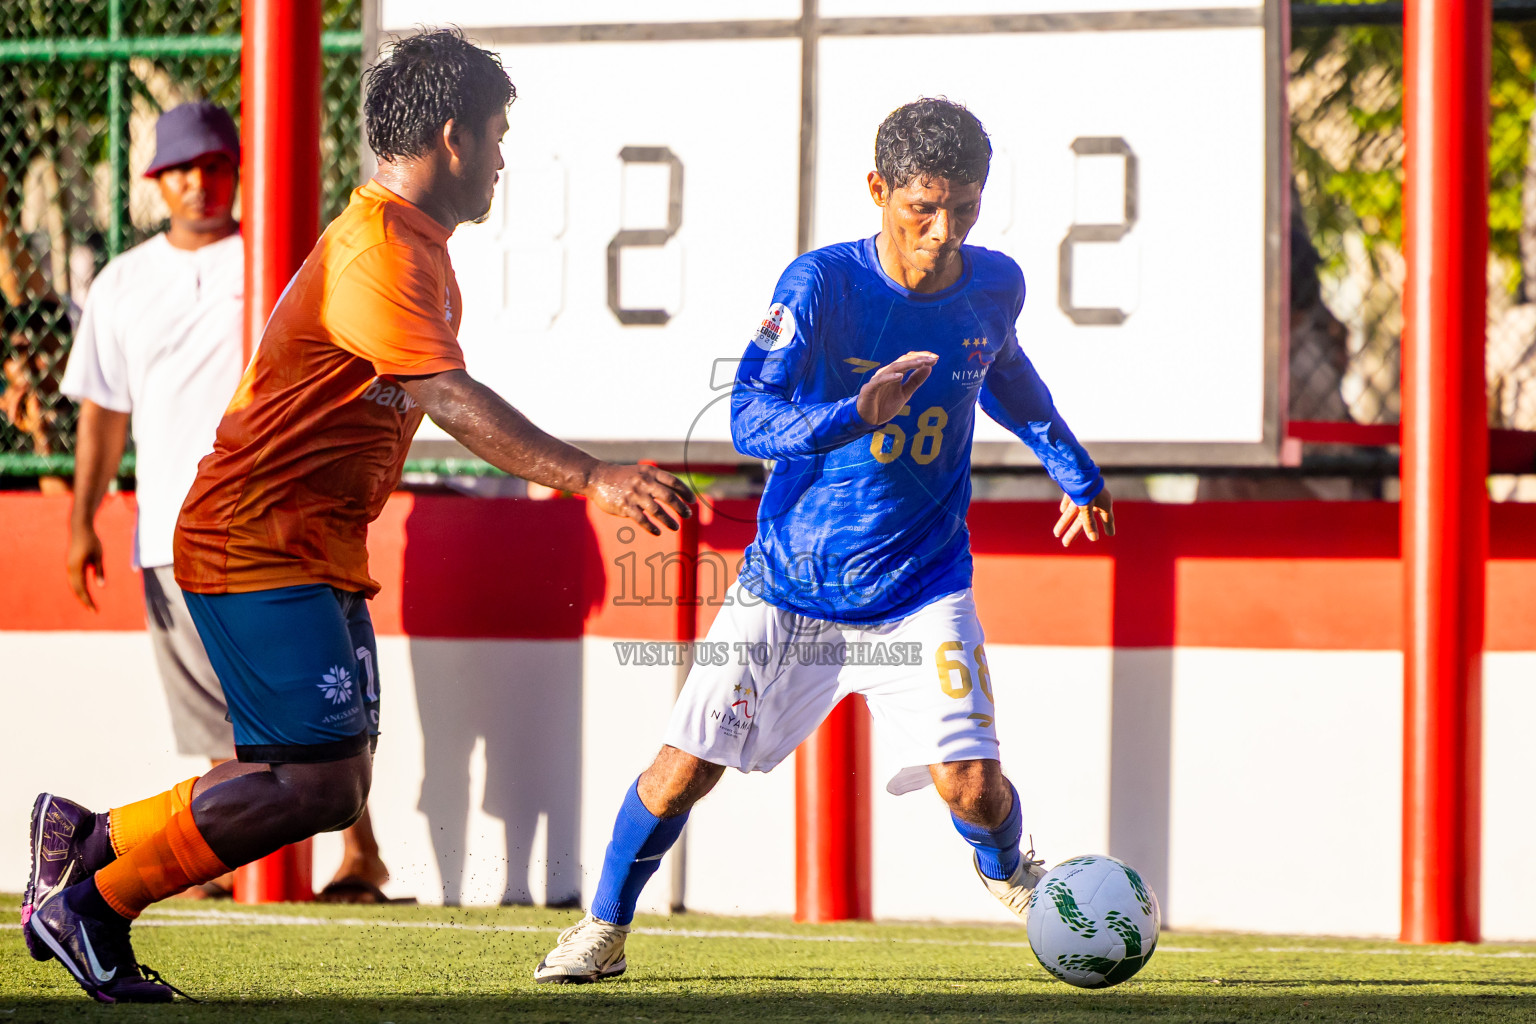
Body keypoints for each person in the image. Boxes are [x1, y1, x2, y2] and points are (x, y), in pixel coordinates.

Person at [23, 29, 693, 1004]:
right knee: (319, 786)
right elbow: (451, 399)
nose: (504, 158)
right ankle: (94, 903)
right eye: (499, 136)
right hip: (254, 536)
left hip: (312, 545)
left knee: (326, 779)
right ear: (454, 137)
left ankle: (87, 838)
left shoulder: (414, 248)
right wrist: (595, 478)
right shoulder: (378, 248)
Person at [534, 98, 1115, 984]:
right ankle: (603, 929)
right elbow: (746, 419)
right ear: (878, 190)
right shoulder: (818, 287)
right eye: (924, 206)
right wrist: (856, 412)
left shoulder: (995, 283)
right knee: (682, 770)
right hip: (789, 586)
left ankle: (1009, 872)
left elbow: (1002, 368)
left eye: (964, 206)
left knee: (973, 786)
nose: (944, 229)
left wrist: (1074, 470)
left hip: (922, 586)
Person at [53, 101, 392, 908]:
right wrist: (81, 521)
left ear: (238, 172)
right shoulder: (122, 281)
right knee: (223, 729)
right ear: (155, 183)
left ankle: (359, 858)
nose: (198, 183)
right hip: (173, 530)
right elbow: (103, 410)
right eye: (180, 170)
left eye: (212, 166)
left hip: (284, 527)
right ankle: (209, 859)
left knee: (324, 721)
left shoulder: (280, 259)